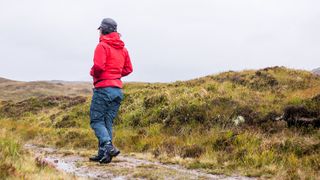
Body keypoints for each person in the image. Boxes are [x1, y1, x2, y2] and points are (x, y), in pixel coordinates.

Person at [89, 18, 133, 164]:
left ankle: (108, 146)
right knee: (107, 121)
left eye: (100, 29)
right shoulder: (123, 49)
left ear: (103, 30)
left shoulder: (102, 46)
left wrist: (92, 72)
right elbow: (128, 69)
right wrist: (114, 75)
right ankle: (104, 155)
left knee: (96, 121)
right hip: (117, 90)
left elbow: (99, 67)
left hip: (103, 89)